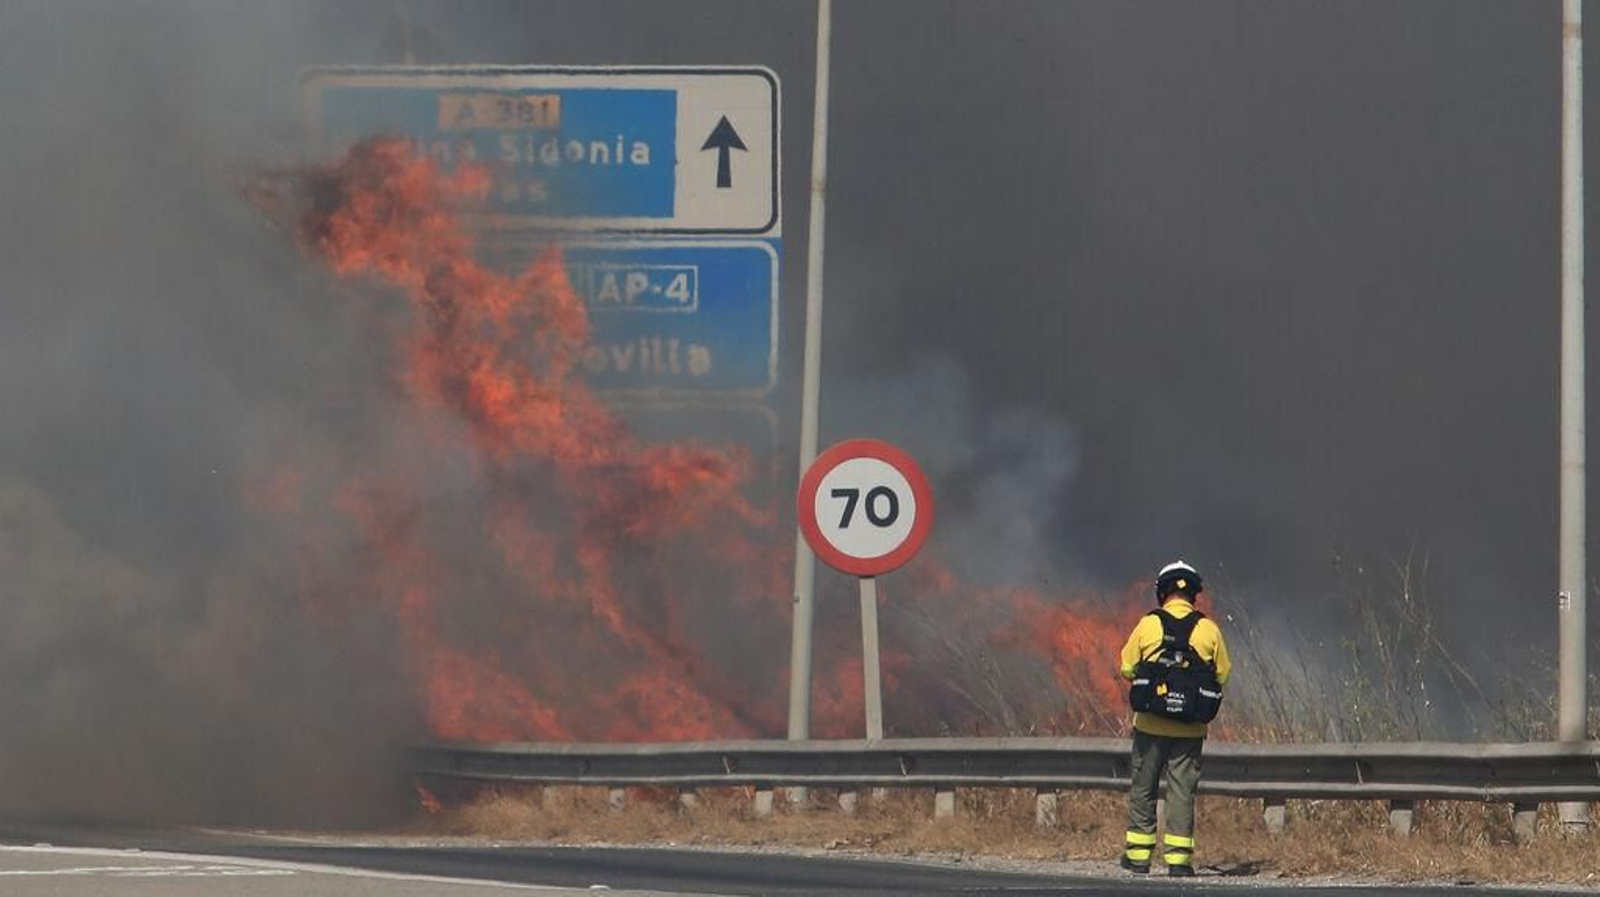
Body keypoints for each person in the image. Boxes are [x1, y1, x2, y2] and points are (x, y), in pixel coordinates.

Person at [1117, 560, 1231, 877]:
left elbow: (1126, 667)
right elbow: (1223, 673)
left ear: (1162, 591)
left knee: (1144, 787)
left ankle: (1138, 857)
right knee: (1182, 792)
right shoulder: (1209, 629)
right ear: (1193, 594)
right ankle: (1179, 861)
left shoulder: (1148, 625)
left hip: (1150, 725)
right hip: (1190, 728)